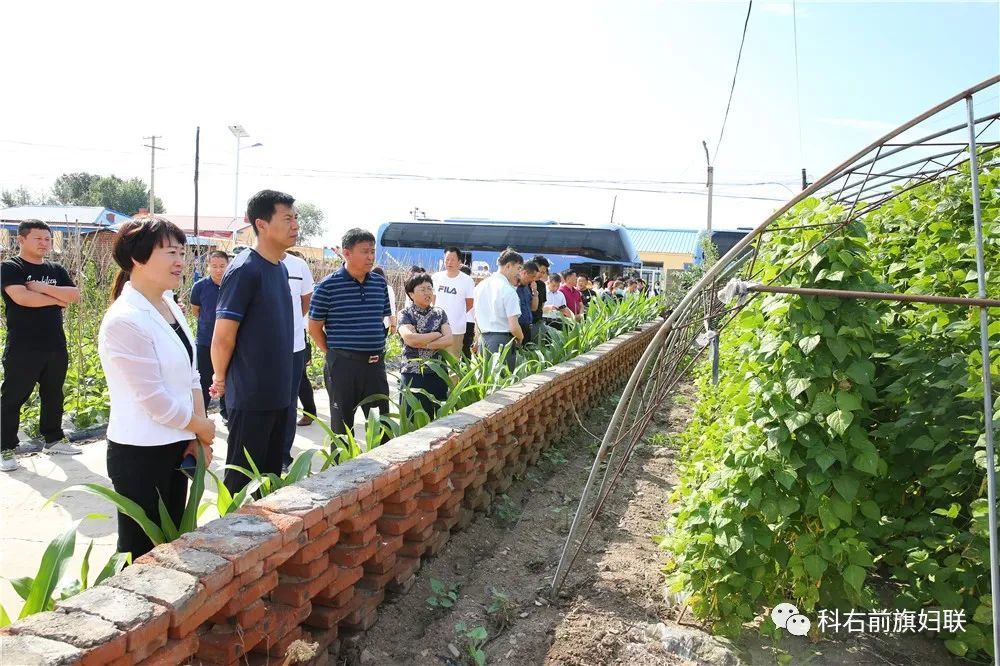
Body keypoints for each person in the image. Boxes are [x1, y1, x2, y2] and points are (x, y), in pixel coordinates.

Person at [98, 216, 215, 557]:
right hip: (141, 453)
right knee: (140, 551)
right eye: (170, 252)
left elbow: (192, 375)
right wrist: (202, 426)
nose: (180, 260)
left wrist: (197, 437)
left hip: (177, 445)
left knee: (173, 542)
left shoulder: (169, 306)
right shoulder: (125, 320)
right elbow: (155, 402)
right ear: (137, 258)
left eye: (182, 251)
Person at [211, 190, 298, 495]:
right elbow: (223, 336)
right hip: (251, 396)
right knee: (240, 483)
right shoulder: (245, 269)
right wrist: (220, 377)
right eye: (286, 218)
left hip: (278, 394)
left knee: (270, 482)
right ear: (261, 224)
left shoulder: (280, 267)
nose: (295, 225)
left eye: (295, 218)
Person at [1, 220, 82, 470]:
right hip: (23, 345)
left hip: (55, 343)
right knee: (14, 396)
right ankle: (5, 448)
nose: (44, 243)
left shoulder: (56, 268)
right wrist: (56, 297)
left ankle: (53, 439)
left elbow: (74, 296)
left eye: (47, 239)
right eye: (39, 238)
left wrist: (41, 288)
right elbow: (22, 298)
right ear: (21, 240)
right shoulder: (10, 267)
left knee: (53, 394)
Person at [309, 228, 392, 439]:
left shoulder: (379, 283)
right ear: (346, 253)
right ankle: (343, 471)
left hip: (375, 367)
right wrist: (333, 353)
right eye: (365, 251)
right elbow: (314, 327)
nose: (371, 256)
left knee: (382, 426)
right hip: (343, 367)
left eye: (372, 251)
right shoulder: (327, 286)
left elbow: (382, 318)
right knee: (342, 430)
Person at [397, 272, 453, 419]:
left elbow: (449, 340)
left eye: (430, 288)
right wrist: (435, 335)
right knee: (412, 418)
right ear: (411, 294)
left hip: (437, 372)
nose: (428, 292)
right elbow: (410, 339)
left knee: (439, 418)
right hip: (412, 373)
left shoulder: (440, 313)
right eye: (422, 289)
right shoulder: (405, 314)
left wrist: (423, 342)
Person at [281, 248, 315, 470]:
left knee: (288, 403)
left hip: (293, 346)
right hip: (260, 351)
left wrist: (291, 325)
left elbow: (305, 302)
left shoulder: (298, 266)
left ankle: (283, 456)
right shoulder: (246, 264)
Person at [189, 250, 230, 423]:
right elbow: (195, 311)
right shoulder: (200, 286)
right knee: (204, 378)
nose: (218, 270)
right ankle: (202, 415)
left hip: (229, 342)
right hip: (206, 341)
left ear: (228, 265)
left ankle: (226, 413)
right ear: (208, 267)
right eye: (214, 266)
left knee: (228, 379)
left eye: (222, 266)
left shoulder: (234, 285)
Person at [473, 249, 524, 373]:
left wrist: (476, 340)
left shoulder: (480, 286)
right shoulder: (508, 290)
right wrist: (521, 338)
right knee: (502, 385)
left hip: (482, 341)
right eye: (518, 268)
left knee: (484, 385)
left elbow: (476, 318)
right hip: (502, 343)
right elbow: (514, 326)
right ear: (508, 266)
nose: (519, 273)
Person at [431, 247, 475, 360]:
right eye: (447, 259)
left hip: (456, 328)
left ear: (460, 262)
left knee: (453, 362)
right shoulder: (436, 277)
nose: (449, 262)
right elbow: (432, 299)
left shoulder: (467, 280)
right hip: (436, 327)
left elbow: (469, 304)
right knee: (435, 361)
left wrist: (456, 313)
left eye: (452, 259)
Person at [515, 261, 539, 343]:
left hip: (527, 327)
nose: (533, 280)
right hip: (516, 327)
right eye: (532, 277)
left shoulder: (527, 288)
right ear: (524, 273)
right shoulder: (513, 288)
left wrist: (535, 292)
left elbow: (533, 308)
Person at [371, 266, 398, 337]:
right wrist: (393, 326)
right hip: (383, 324)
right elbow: (391, 308)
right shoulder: (388, 288)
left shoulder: (368, 288)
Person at [529, 255, 549, 344]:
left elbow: (542, 305)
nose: (541, 275)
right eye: (540, 271)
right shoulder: (523, 283)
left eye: (543, 273)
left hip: (537, 324)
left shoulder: (542, 285)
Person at [459, 265, 475, 358]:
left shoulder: (459, 285)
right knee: (466, 348)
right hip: (470, 321)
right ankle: (466, 370)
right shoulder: (472, 286)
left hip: (460, 320)